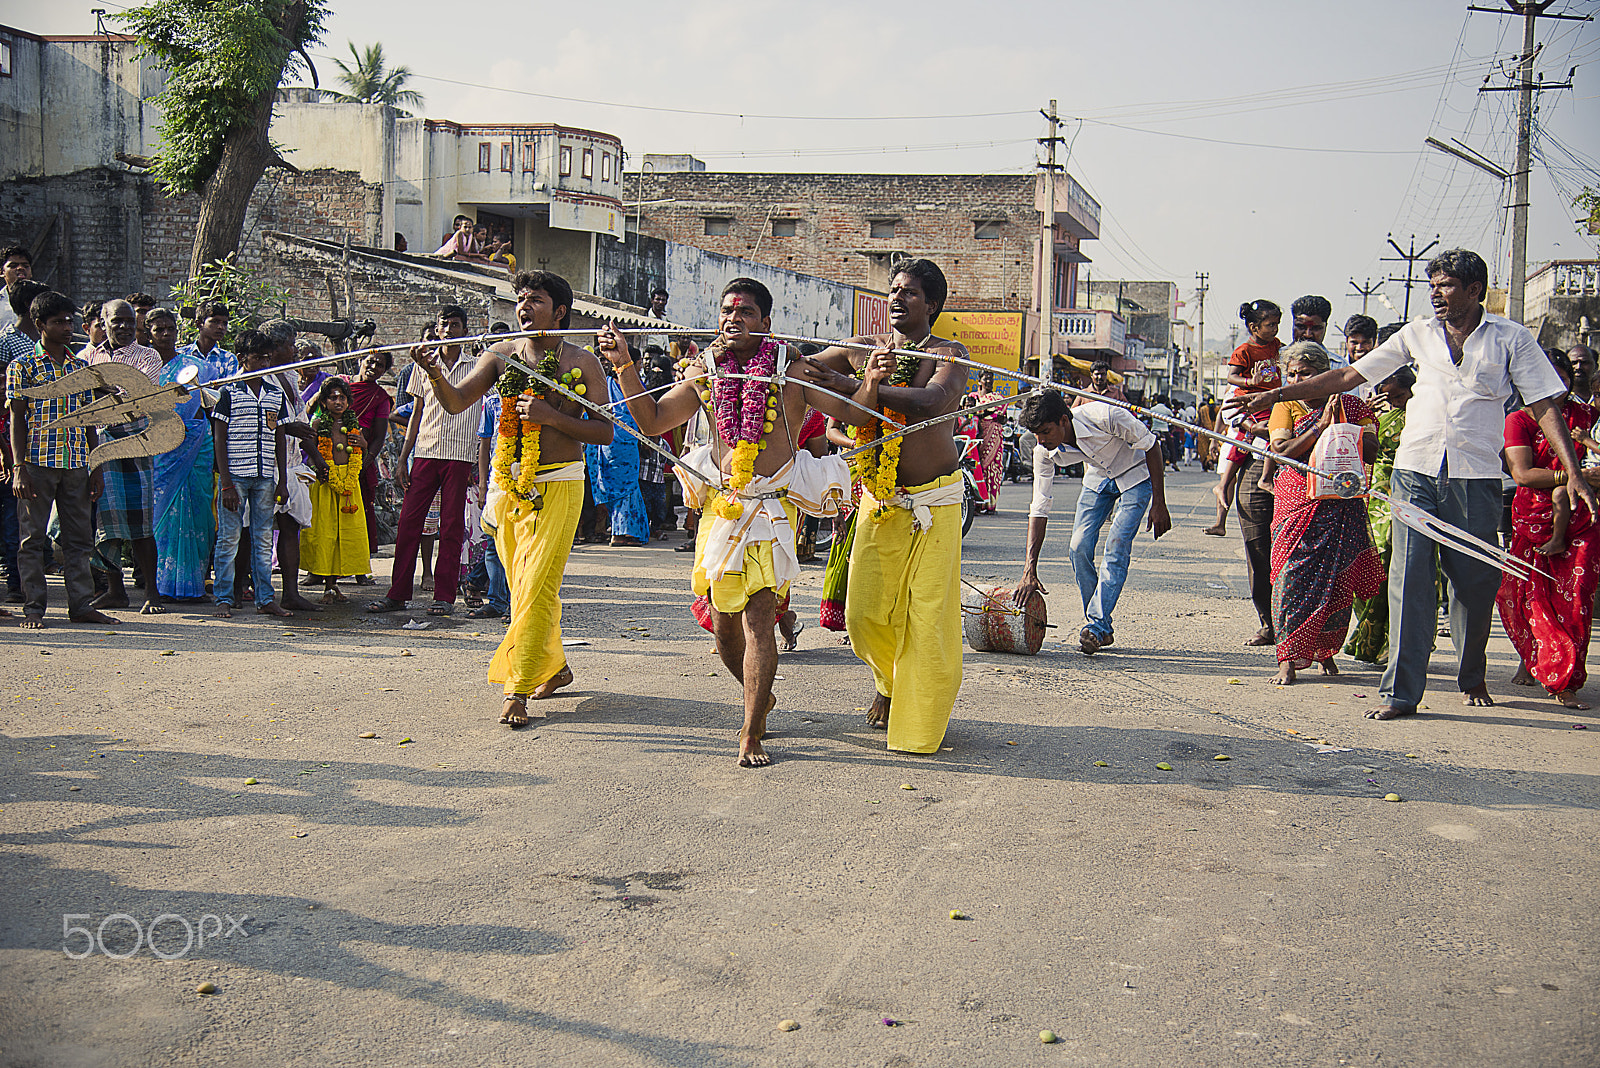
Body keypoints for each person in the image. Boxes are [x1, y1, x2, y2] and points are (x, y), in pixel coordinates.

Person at [1229, 248, 1598, 721]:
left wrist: (1574, 474)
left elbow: (1546, 404)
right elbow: (1347, 375)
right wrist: (1276, 393)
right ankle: (1401, 692)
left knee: (1473, 582)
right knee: (1409, 580)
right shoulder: (1417, 333)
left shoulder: (1512, 338)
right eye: (1433, 286)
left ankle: (1472, 672)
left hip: (1476, 476)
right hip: (1415, 471)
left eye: (1446, 285)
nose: (1437, 294)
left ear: (1474, 290)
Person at [608, 277, 860, 766]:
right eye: (727, 311)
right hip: (724, 508)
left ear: (766, 323)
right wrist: (624, 367)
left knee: (759, 619)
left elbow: (849, 411)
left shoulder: (789, 367)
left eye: (745, 312)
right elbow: (653, 420)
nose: (733, 319)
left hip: (771, 508)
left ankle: (751, 730)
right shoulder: (708, 370)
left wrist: (868, 384)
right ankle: (758, 697)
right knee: (725, 629)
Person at [414, 271, 612, 724]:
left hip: (560, 481)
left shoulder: (582, 361)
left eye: (535, 300)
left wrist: (549, 416)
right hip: (508, 486)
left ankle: (516, 687)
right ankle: (555, 667)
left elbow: (604, 431)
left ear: (559, 312)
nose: (523, 307)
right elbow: (457, 402)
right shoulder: (501, 355)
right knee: (524, 584)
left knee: (537, 584)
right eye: (520, 299)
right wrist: (433, 372)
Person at [810, 260, 971, 754]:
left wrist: (860, 390)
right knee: (864, 616)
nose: (898, 299)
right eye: (894, 291)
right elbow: (808, 367)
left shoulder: (952, 353)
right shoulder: (866, 348)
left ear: (933, 305)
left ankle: (918, 729)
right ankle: (886, 680)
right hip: (878, 501)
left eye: (911, 294)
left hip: (935, 504)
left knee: (927, 615)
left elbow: (930, 402)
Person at [1016, 388, 1171, 655]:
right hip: (1098, 478)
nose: (1040, 440)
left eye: (1045, 431)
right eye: (1036, 434)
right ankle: (1101, 626)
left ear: (1064, 420)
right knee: (1078, 548)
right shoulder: (1043, 450)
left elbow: (1151, 444)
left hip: (1135, 476)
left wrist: (1159, 502)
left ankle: (1096, 626)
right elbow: (1039, 505)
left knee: (1116, 547)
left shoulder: (1106, 415)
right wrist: (1030, 569)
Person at [1263, 342, 1381, 685]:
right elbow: (1283, 451)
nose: (1298, 380)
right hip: (1298, 500)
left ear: (1326, 375)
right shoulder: (1285, 405)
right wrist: (1322, 427)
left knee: (1337, 578)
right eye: (1292, 374)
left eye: (1306, 374)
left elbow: (1372, 451)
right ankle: (1287, 656)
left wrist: (1345, 425)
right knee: (1290, 577)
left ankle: (1324, 651)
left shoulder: (1353, 405)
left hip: (1341, 502)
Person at [7, 292, 119, 629]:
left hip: (75, 464)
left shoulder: (81, 368)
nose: (67, 327)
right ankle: (34, 608)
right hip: (37, 464)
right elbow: (16, 419)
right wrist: (18, 468)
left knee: (80, 539)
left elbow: (90, 420)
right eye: (59, 321)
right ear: (41, 325)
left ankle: (81, 605)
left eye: (70, 321)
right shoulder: (23, 366)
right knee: (32, 539)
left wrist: (95, 466)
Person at [1499, 348, 1600, 710]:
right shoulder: (1519, 420)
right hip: (1535, 517)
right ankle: (1538, 662)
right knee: (1531, 597)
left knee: (1576, 597)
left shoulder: (1585, 416)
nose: (1555, 383)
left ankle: (1565, 677)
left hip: (1583, 517)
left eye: (1561, 376)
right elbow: (1523, 474)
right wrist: (1576, 477)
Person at [367, 305, 483, 617]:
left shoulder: (477, 367)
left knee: (451, 526)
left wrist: (478, 459)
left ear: (464, 329)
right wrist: (402, 459)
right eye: (444, 324)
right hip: (426, 451)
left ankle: (444, 596)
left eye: (455, 324)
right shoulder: (424, 365)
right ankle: (398, 592)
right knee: (409, 524)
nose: (448, 329)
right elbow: (415, 414)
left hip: (459, 455)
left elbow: (486, 415)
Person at [85, 300, 165, 614]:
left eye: (130, 321)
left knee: (141, 520)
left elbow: (137, 397)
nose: (125, 327)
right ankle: (115, 590)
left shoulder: (148, 356)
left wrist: (99, 388)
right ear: (103, 322)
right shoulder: (88, 355)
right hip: (100, 443)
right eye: (117, 321)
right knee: (107, 520)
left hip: (135, 442)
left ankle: (152, 593)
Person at [210, 330, 291, 619]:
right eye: (258, 357)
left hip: (265, 477)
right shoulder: (227, 392)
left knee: (263, 540)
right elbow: (219, 439)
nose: (265, 362)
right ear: (243, 359)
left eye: (268, 357)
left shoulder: (274, 392)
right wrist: (227, 482)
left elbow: (280, 436)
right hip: (236, 478)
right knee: (229, 539)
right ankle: (223, 597)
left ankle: (265, 598)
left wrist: (281, 478)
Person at [1344, 366, 1416, 664]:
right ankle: (1370, 638)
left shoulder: (1421, 413)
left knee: (1396, 566)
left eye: (1392, 387)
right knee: (1367, 564)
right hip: (1373, 496)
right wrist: (1366, 420)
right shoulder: (1375, 412)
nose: (1385, 391)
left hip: (1408, 496)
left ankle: (1395, 642)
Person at [261, 319, 328, 614]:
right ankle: (241, 592)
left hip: (290, 463)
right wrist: (291, 429)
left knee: (291, 527)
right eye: (289, 346)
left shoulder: (289, 374)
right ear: (274, 348)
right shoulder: (257, 377)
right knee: (255, 529)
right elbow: (266, 422)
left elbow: (298, 421)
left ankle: (290, 593)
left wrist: (317, 457)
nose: (294, 351)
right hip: (262, 463)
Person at [150, 309, 217, 601]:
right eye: (158, 329)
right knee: (162, 514)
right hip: (160, 450)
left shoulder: (194, 366)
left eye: (170, 328)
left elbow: (211, 404)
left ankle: (194, 583)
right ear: (148, 332)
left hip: (196, 445)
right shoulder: (145, 368)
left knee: (199, 511)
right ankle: (160, 584)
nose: (166, 334)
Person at [1206, 299, 1282, 537]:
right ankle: (1262, 479)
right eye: (1270, 325)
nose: (1275, 329)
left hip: (1270, 400)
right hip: (1250, 400)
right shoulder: (1244, 351)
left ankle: (1224, 486)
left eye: (1277, 324)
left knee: (1253, 441)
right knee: (1259, 436)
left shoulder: (1277, 345)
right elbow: (1232, 377)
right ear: (1253, 327)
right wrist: (1252, 382)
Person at [301, 377, 370, 601]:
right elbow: (308, 446)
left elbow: (362, 454)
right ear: (324, 402)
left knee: (346, 535)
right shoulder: (318, 424)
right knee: (325, 534)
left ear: (349, 402)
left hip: (349, 485)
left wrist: (365, 445)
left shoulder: (353, 425)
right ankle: (327, 585)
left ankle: (334, 585)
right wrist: (320, 466)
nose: (338, 402)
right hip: (325, 483)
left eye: (342, 397)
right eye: (332, 398)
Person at [586, 359, 650, 547]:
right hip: (623, 442)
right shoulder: (632, 388)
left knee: (614, 486)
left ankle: (617, 531)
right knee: (628, 487)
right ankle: (625, 533)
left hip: (605, 440)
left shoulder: (601, 385)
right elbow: (643, 414)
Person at [344, 350, 394, 560]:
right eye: (370, 361)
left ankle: (359, 566)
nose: (373, 367)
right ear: (360, 361)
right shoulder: (341, 385)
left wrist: (366, 460)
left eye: (380, 365)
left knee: (359, 510)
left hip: (360, 458)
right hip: (331, 455)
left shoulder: (380, 397)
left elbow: (379, 435)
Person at [180, 302, 235, 381]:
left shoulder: (228, 359)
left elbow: (229, 390)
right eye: (215, 321)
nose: (221, 327)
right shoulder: (181, 355)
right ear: (199, 324)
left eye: (224, 323)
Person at [0, 246, 32, 335]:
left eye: (25, 266)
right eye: (13, 266)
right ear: (2, 272)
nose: (20, 268)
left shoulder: (42, 301)